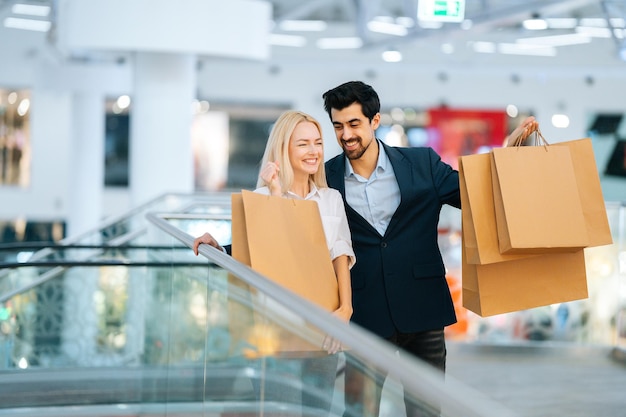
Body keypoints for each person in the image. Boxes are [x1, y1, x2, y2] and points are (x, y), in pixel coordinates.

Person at [321, 80, 539, 417]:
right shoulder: (325, 178)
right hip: (364, 316)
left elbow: (474, 192)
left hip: (423, 310)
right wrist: (224, 247)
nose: (346, 134)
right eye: (338, 126)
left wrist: (507, 153)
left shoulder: (421, 164)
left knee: (425, 410)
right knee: (358, 412)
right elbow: (296, 233)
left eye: (354, 124)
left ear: (374, 121)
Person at [192, 110, 355, 416]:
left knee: (319, 411)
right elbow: (264, 253)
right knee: (281, 411)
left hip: (323, 324)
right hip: (275, 326)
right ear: (284, 148)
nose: (314, 152)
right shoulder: (261, 197)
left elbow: (340, 255)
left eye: (318, 143)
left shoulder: (331, 198)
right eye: (303, 144)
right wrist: (276, 197)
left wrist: (345, 309)